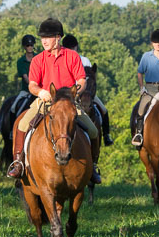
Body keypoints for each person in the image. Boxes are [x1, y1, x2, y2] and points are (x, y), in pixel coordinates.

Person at [7, 18, 102, 184]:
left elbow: (81, 80)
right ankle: (18, 163)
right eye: (42, 37)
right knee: (22, 125)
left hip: (69, 103)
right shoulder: (38, 60)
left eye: (48, 37)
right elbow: (32, 85)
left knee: (93, 131)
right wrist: (41, 92)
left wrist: (75, 91)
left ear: (58, 38)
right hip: (45, 102)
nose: (43, 41)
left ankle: (92, 166)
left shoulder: (72, 57)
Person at [61, 34, 114, 146]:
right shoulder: (62, 61)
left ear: (76, 47)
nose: (72, 51)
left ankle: (106, 135)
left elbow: (89, 78)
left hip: (86, 93)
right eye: (69, 49)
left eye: (73, 48)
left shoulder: (84, 60)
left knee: (103, 110)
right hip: (71, 94)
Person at [131, 29, 159, 147]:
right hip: (150, 87)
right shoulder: (146, 56)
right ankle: (139, 133)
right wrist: (142, 87)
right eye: (156, 42)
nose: (158, 44)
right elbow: (140, 73)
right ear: (152, 43)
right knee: (141, 108)